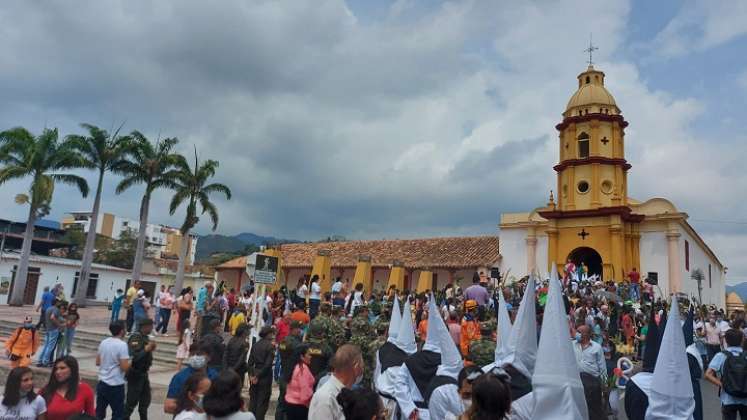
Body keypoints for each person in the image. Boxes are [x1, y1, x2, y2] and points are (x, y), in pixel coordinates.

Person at [308, 344, 364, 420]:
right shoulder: (326, 399)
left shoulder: (348, 392)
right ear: (356, 366)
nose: (363, 369)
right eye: (362, 365)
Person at [164, 345, 220, 415]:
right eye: (192, 354)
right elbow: (168, 406)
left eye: (199, 354)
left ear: (209, 357)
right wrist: (195, 409)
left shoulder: (215, 376)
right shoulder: (180, 377)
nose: (195, 357)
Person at [706, 328, 747, 419]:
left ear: (726, 341)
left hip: (728, 398)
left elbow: (708, 374)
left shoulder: (721, 355)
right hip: (745, 397)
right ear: (741, 340)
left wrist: (722, 384)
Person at [95, 320, 130, 420]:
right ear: (122, 331)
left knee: (99, 413)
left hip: (102, 382)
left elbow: (98, 362)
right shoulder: (122, 345)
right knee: (118, 414)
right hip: (115, 384)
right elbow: (124, 367)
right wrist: (131, 364)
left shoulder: (104, 342)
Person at [573, 325, 607, 420]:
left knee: (593, 411)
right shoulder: (572, 345)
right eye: (577, 331)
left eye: (580, 332)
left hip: (593, 385)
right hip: (577, 383)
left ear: (587, 334)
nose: (577, 334)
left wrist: (604, 386)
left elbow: (602, 368)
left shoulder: (597, 347)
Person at [125, 318, 156, 419]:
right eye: (151, 326)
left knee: (145, 400)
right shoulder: (135, 338)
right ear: (145, 326)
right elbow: (134, 357)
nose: (152, 328)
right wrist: (146, 350)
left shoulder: (145, 337)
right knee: (131, 402)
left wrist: (151, 348)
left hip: (143, 373)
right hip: (136, 374)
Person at [276, 320, 303, 420]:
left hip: (283, 374)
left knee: (281, 404)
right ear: (294, 329)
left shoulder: (283, 341)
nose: (300, 331)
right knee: (289, 405)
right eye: (298, 329)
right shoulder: (296, 344)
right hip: (291, 377)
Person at [248, 326, 276, 420]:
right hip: (265, 376)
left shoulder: (255, 345)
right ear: (268, 334)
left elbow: (250, 363)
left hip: (255, 373)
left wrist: (252, 375)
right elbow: (268, 364)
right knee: (262, 402)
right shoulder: (270, 346)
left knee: (253, 401)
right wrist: (257, 375)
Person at [284, 344, 315, 419]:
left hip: (290, 403)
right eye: (308, 354)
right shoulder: (303, 369)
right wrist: (308, 403)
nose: (311, 357)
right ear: (302, 356)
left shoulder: (293, 366)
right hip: (300, 406)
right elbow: (305, 389)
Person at [38, 300, 67, 367]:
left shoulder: (49, 308)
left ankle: (40, 360)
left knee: (46, 346)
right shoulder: (56, 309)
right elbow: (52, 317)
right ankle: (45, 361)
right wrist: (59, 324)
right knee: (50, 347)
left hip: (48, 329)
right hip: (53, 329)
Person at [223, 323, 250, 387]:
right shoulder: (245, 343)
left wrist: (225, 368)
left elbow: (225, 355)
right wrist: (234, 369)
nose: (249, 332)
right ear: (244, 332)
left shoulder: (231, 340)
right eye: (248, 330)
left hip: (228, 368)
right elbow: (242, 358)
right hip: (238, 370)